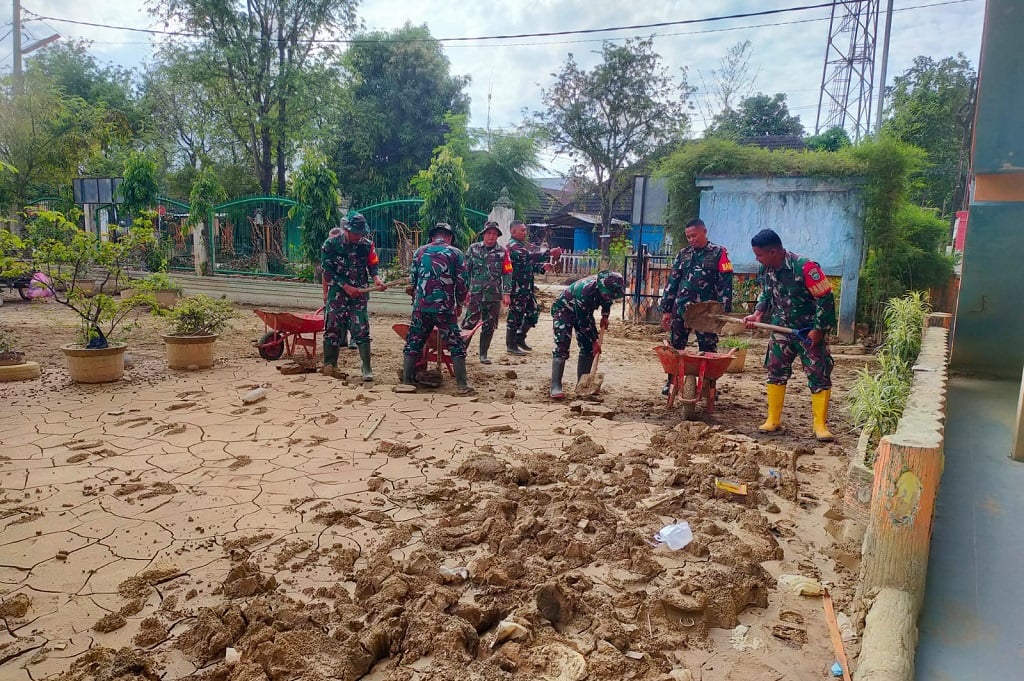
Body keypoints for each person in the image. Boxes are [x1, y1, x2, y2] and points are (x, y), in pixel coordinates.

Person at [742, 228, 837, 442]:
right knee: (775, 370)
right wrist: (758, 313)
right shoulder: (766, 269)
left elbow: (825, 298)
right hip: (781, 329)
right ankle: (773, 420)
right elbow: (766, 292)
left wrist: (818, 330)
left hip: (808, 331)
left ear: (773, 251)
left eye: (759, 255)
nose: (757, 259)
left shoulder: (805, 267)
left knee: (818, 373)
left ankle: (820, 425)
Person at [660, 218, 734, 395]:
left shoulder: (719, 253)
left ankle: (709, 386)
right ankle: (672, 382)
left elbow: (726, 282)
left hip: (706, 311)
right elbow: (673, 281)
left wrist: (723, 309)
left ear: (704, 232)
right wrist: (666, 309)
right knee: (676, 347)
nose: (691, 239)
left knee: (708, 348)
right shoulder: (683, 254)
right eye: (688, 237)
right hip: (682, 308)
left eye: (694, 235)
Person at [397, 222, 473, 395]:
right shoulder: (456, 253)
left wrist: (418, 300)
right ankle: (462, 385)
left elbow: (413, 282)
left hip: (421, 308)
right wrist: (459, 304)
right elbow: (462, 283)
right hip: (444, 309)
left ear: (432, 237)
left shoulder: (419, 252)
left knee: (413, 342)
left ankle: (407, 381)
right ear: (450, 237)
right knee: (456, 344)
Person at [320, 213, 385, 381]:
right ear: (346, 230)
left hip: (359, 293)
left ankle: (366, 367)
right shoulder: (330, 245)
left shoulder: (367, 245)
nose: (358, 237)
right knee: (332, 325)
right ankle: (330, 364)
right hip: (338, 293)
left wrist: (377, 280)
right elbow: (327, 272)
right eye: (355, 233)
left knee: (361, 328)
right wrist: (345, 287)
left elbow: (373, 264)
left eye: (361, 233)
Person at [549, 270, 626, 399]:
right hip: (564, 311)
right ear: (600, 287)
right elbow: (583, 322)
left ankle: (582, 385)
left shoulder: (607, 289)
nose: (608, 296)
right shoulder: (584, 291)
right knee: (562, 344)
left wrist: (605, 316)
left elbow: (607, 301)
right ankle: (555, 385)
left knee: (588, 348)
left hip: (584, 313)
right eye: (606, 294)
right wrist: (595, 341)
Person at [506, 220, 562, 355]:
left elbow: (528, 264)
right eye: (522, 230)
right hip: (517, 288)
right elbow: (527, 257)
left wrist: (542, 267)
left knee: (533, 311)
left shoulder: (521, 245)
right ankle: (511, 345)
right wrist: (549, 253)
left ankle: (520, 337)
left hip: (527, 287)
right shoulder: (513, 246)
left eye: (525, 230)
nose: (525, 232)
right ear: (513, 232)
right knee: (516, 315)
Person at [461, 220, 512, 364]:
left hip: (494, 295)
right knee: (468, 323)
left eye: (494, 234)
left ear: (497, 236)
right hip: (476, 293)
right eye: (489, 233)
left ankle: (483, 354)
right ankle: (461, 351)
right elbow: (466, 272)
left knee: (489, 325)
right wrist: (465, 291)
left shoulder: (503, 252)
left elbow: (507, 273)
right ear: (483, 234)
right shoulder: (473, 249)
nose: (491, 236)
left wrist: (506, 293)